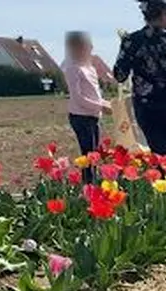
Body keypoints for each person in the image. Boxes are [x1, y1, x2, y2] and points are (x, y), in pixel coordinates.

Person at [113, 0, 166, 185]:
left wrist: (126, 52)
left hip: (147, 107)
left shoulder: (132, 41)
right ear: (160, 15)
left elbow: (120, 75)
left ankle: (165, 193)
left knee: (160, 154)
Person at [63, 31, 111, 184]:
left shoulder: (88, 66)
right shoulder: (72, 68)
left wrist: (105, 103)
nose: (90, 49)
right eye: (86, 46)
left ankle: (92, 183)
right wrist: (101, 106)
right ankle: (88, 185)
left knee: (94, 154)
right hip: (81, 116)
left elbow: (93, 93)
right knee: (88, 154)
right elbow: (79, 98)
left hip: (93, 115)